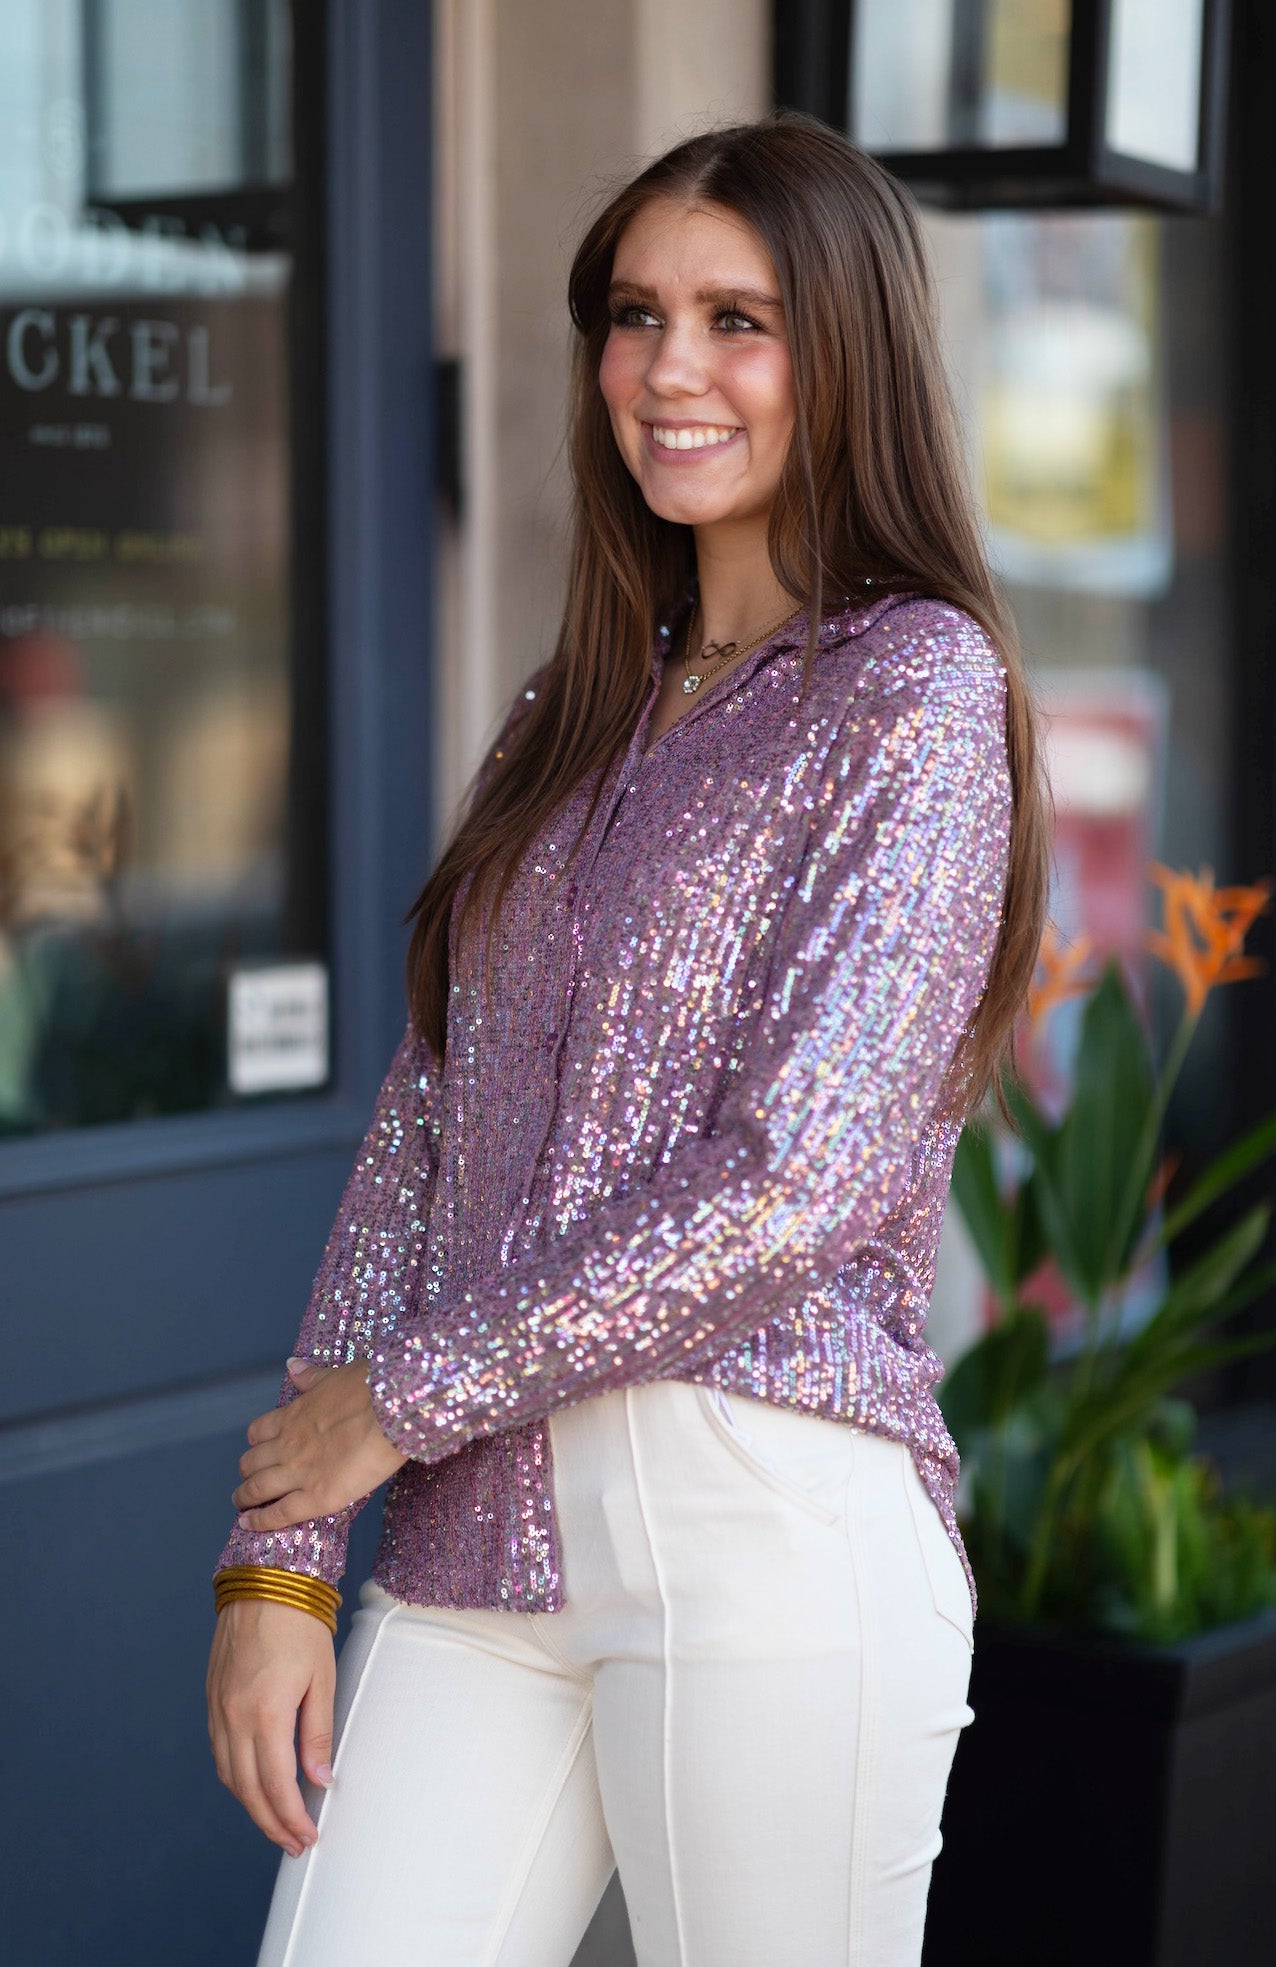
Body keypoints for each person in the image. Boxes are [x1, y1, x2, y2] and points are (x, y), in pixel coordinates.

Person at [207, 113, 1048, 1966]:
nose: (670, 371)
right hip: (477, 1540)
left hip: (768, 1522)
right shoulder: (569, 710)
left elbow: (795, 1173)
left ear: (848, 355)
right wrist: (279, 1553)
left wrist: (397, 1404)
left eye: (738, 319)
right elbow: (418, 1135)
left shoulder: (914, 687)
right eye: (633, 313)